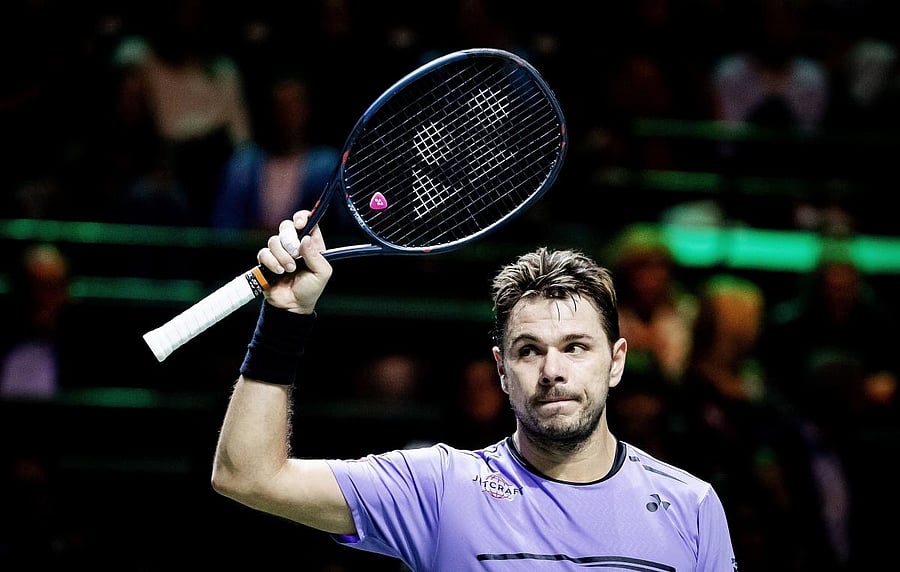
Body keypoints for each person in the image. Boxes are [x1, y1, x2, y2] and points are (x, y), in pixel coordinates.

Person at [210, 209, 737, 570]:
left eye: (576, 347)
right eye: (529, 350)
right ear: (502, 371)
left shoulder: (690, 507)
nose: (552, 369)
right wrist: (286, 318)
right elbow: (248, 475)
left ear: (615, 362)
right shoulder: (438, 490)